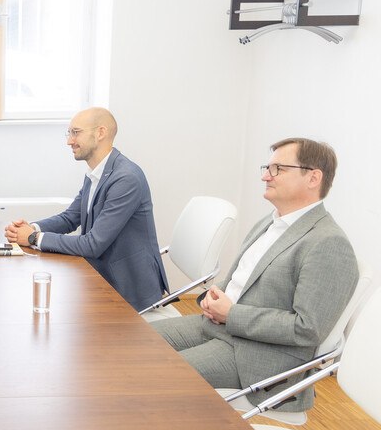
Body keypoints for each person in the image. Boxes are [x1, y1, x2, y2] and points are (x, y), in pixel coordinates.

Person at [152, 138, 358, 412]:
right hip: (219, 326)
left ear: (313, 177)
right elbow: (243, 283)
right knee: (134, 344)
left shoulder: (329, 243)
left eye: (278, 169)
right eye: (267, 167)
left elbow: (307, 329)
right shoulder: (270, 221)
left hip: (256, 355)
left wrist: (231, 313)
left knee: (154, 376)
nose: (265, 176)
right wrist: (214, 300)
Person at [5, 107, 168, 311]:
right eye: (69, 133)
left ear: (100, 133)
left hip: (127, 291)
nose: (69, 141)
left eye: (76, 132)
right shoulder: (97, 173)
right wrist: (32, 228)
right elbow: (70, 218)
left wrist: (33, 238)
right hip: (100, 276)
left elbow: (93, 244)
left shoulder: (126, 178)